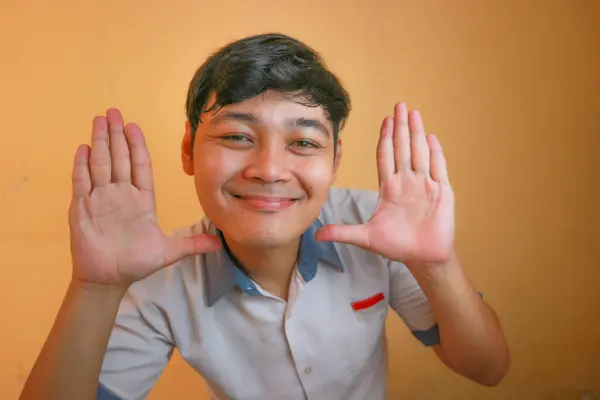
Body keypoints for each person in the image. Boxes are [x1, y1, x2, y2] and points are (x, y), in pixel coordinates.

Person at [20, 33, 509, 400]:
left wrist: (437, 266)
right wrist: (96, 289)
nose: (270, 169)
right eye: (236, 137)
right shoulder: (156, 279)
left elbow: (488, 368)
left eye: (303, 143)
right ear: (189, 150)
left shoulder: (380, 229)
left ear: (334, 161)